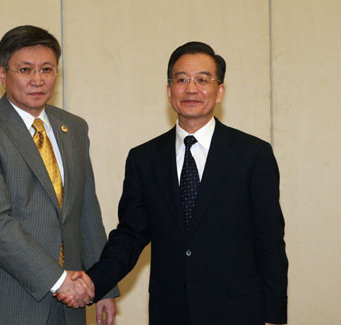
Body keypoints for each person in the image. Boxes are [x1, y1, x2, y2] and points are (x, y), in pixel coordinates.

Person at [63, 42, 288, 324]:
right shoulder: (144, 159)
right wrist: (94, 281)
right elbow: (130, 235)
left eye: (202, 80)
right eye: (181, 80)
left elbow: (269, 241)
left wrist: (275, 316)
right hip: (170, 310)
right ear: (169, 90)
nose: (191, 89)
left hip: (238, 311)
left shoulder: (253, 155)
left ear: (220, 91)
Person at [0, 25, 118, 325]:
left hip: (69, 306)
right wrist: (59, 281)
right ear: (3, 74)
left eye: (47, 69)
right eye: (25, 70)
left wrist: (102, 283)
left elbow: (87, 212)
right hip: (4, 300)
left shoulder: (74, 128)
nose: (37, 80)